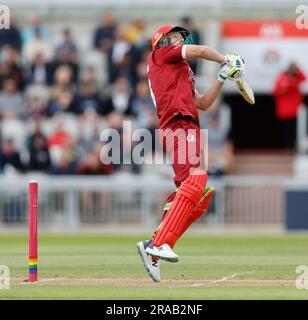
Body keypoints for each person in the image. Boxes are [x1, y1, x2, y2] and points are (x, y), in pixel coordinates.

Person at [136, 25, 244, 282]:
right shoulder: (160, 56)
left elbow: (204, 103)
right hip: (178, 123)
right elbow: (201, 50)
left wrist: (222, 76)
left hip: (187, 125)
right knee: (196, 183)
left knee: (198, 197)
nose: (180, 39)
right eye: (174, 36)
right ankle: (159, 243)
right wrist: (226, 58)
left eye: (181, 37)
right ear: (161, 42)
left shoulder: (181, 71)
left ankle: (154, 244)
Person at [273, 63, 306, 149]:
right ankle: (286, 147)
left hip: (295, 111)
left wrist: (297, 71)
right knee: (286, 130)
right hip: (284, 111)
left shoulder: (296, 78)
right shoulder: (282, 78)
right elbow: (275, 92)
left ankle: (294, 146)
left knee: (295, 130)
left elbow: (304, 78)